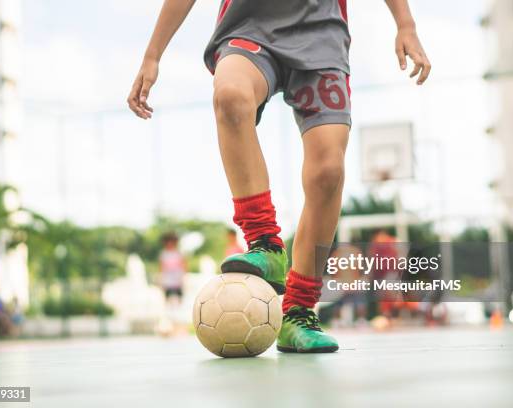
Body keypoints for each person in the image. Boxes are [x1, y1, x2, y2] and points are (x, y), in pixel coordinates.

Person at [129, 0, 431, 353]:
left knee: (328, 172)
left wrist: (405, 24)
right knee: (230, 95)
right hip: (249, 26)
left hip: (321, 34)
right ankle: (266, 244)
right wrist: (153, 54)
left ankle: (299, 312)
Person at [159, 233, 187, 305]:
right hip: (168, 279)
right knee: (167, 297)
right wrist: (161, 279)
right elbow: (162, 267)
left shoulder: (178, 253)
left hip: (177, 279)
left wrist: (183, 277)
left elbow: (183, 265)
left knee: (179, 296)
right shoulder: (164, 254)